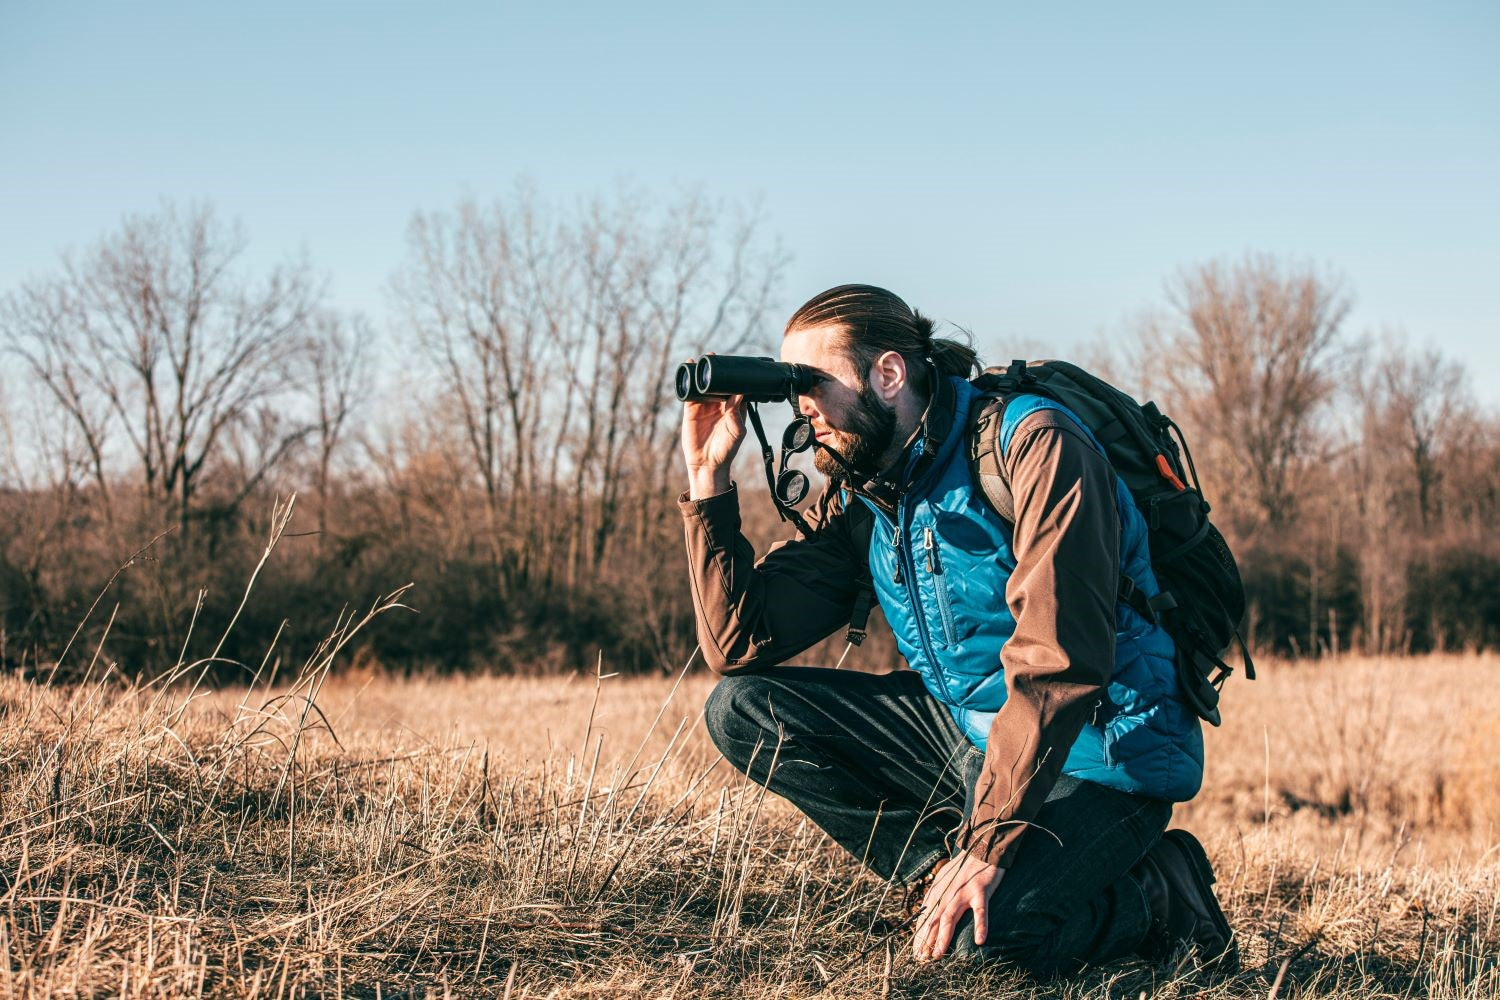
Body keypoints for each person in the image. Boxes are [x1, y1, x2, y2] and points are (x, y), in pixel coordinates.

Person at [678, 284, 1236, 975]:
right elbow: (739, 642)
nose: (803, 408)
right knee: (741, 709)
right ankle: (936, 880)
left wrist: (990, 842)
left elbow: (1058, 666)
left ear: (887, 374)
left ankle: (1158, 894)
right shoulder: (868, 488)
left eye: (813, 383)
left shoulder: (1033, 447)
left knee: (980, 954)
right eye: (793, 389)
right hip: (970, 732)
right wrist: (709, 483)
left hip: (1102, 750)